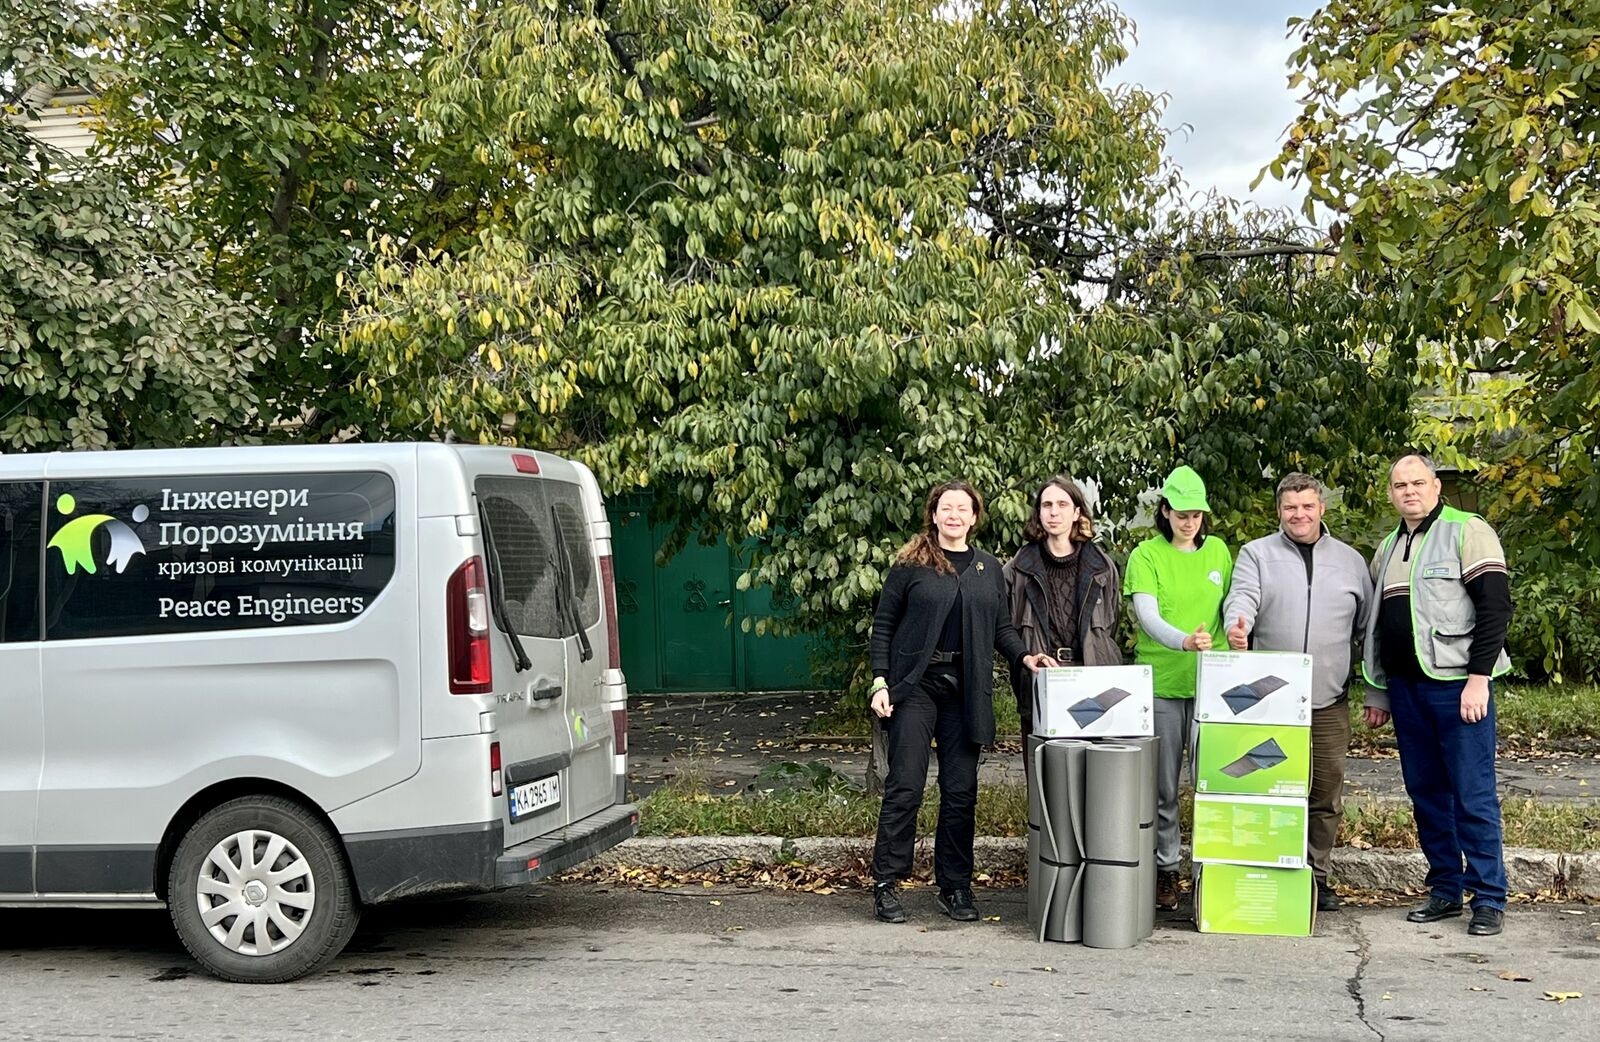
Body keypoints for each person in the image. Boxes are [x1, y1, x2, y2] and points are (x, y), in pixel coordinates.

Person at [867, 480, 1052, 924]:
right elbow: (884, 625)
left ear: (974, 517)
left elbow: (1001, 628)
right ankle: (886, 883)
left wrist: (1025, 656)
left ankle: (954, 885)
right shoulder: (911, 565)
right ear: (934, 515)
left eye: (962, 509)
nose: (953, 515)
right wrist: (880, 682)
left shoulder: (989, 568)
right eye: (946, 508)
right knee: (906, 785)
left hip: (965, 692)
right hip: (915, 687)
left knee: (960, 792)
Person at [1360, 453, 1513, 937]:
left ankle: (1488, 897)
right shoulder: (1387, 547)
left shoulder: (1468, 531)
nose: (1409, 491)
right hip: (1406, 691)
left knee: (1472, 794)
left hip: (1458, 688)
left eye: (1418, 483)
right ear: (1391, 493)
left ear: (1436, 486)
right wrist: (1378, 691)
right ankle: (1446, 889)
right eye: (1400, 485)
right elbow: (1378, 628)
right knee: (1426, 793)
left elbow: (1495, 608)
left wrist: (1479, 678)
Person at [1224, 472, 1373, 913]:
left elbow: (1369, 630)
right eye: (1290, 507)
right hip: (1270, 704)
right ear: (1279, 511)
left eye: (1307, 506)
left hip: (1328, 701)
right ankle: (1267, 870)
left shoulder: (1350, 561)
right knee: (1265, 787)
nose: (1299, 514)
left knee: (1324, 794)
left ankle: (1315, 877)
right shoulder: (1256, 554)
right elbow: (1242, 598)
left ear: (1321, 508)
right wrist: (1238, 626)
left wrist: (1377, 690)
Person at [1123, 465, 1232, 912]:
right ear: (1165, 511)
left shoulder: (1219, 552)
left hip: (1213, 685)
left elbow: (1234, 605)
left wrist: (1240, 629)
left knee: (1212, 784)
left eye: (1196, 515)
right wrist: (1183, 641)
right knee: (1164, 788)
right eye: (1182, 514)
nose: (1190, 522)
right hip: (1164, 684)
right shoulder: (1145, 555)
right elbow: (1147, 615)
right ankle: (1166, 868)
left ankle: (1212, 870)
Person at [1002, 476, 1124, 754]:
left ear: (1077, 512)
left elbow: (1111, 623)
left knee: (1090, 768)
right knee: (1043, 768)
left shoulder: (1102, 567)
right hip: (1041, 679)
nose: (1054, 512)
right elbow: (1004, 628)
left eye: (1062, 504)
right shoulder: (1017, 569)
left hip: (1093, 677)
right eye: (1047, 505)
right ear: (1038, 513)